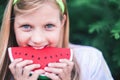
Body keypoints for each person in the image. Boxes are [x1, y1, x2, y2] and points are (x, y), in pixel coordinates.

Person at [0, 0, 114, 80]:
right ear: (12, 25)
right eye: (26, 26)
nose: (38, 39)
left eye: (49, 26)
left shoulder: (90, 61)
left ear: (62, 22)